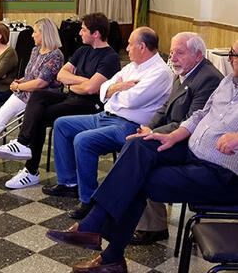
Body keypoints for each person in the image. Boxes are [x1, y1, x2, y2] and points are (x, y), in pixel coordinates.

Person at [44, 38, 238, 273]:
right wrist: (172, 135)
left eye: (235, 55)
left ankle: (104, 247)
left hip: (222, 173)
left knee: (137, 180)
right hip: (190, 151)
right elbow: (200, 114)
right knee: (139, 146)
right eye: (230, 53)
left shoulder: (210, 77)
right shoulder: (229, 80)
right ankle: (98, 236)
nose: (229, 59)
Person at [45, 27, 173, 220]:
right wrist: (118, 88)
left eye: (130, 44)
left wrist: (112, 92)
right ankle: (68, 183)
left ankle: (88, 200)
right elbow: (103, 90)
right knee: (62, 124)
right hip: (106, 116)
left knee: (83, 141)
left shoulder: (160, 72)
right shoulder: (133, 66)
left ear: (142, 46)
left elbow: (132, 100)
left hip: (129, 125)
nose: (126, 48)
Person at [0, 13, 121, 190]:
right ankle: (23, 144)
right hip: (73, 97)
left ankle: (31, 170)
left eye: (84, 30)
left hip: (92, 105)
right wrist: (84, 81)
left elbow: (91, 89)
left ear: (96, 33)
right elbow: (61, 75)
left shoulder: (110, 57)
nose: (80, 33)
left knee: (39, 115)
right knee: (38, 96)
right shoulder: (83, 50)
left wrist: (76, 82)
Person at [126, 31, 222, 245]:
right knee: (138, 146)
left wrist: (154, 134)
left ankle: (149, 225)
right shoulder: (185, 72)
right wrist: (149, 128)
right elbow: (165, 108)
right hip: (172, 136)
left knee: (141, 152)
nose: (173, 58)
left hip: (189, 144)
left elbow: (191, 122)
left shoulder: (209, 78)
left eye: (179, 52)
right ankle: (145, 222)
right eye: (171, 52)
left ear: (198, 55)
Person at [0, 18, 64, 155]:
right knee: (2, 112)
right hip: (27, 91)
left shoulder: (55, 55)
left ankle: (16, 145)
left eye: (35, 32)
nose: (32, 35)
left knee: (7, 111)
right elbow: (30, 75)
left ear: (44, 34)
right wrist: (20, 82)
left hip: (42, 96)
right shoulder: (36, 50)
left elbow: (41, 82)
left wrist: (20, 87)